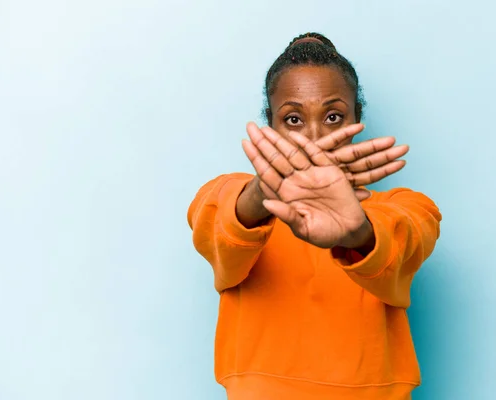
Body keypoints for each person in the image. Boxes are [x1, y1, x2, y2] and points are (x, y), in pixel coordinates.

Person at [187, 32, 442, 400]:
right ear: (270, 125)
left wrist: (357, 234)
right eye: (292, 119)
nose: (313, 135)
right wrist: (264, 191)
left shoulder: (405, 207)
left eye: (333, 116)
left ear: (358, 121)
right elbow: (211, 220)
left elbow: (407, 238)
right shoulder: (235, 196)